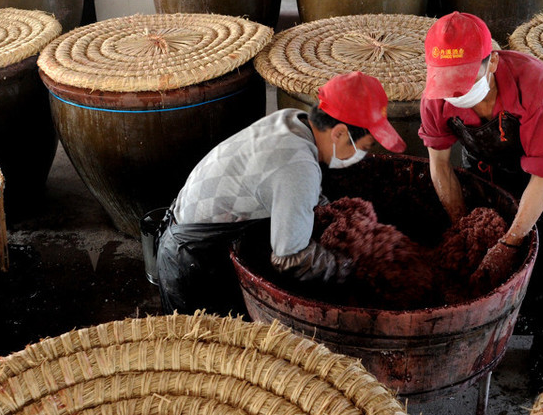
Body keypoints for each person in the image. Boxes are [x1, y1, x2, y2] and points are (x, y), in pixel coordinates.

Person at [156, 70, 406, 314]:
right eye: (361, 148)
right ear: (339, 133)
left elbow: (293, 189)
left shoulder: (292, 121)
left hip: (188, 232)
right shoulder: (297, 166)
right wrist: (354, 268)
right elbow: (290, 258)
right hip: (192, 262)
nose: (358, 157)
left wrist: (333, 215)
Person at [418, 11, 543, 393]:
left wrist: (511, 240)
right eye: (447, 84)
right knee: (474, 252)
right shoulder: (435, 98)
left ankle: (542, 346)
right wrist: (465, 226)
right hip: (483, 169)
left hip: (539, 171)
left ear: (494, 62)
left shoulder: (532, 80)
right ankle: (488, 329)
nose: (454, 94)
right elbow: (440, 166)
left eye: (463, 82)